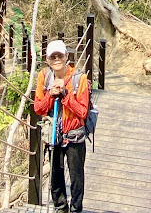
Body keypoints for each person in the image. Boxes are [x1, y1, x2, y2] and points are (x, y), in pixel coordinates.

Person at [34, 39, 89, 213]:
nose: (57, 59)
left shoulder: (79, 79)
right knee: (56, 177)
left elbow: (83, 112)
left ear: (67, 56)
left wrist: (65, 95)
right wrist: (51, 94)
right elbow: (38, 108)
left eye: (60, 55)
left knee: (76, 177)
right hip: (54, 135)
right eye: (53, 56)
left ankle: (76, 209)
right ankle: (60, 208)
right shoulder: (44, 76)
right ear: (47, 59)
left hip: (74, 135)